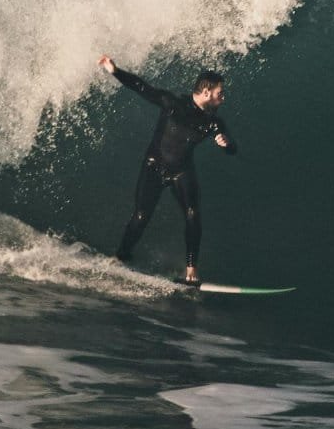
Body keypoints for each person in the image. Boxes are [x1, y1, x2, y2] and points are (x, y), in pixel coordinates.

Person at [98, 54, 236, 284]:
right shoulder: (173, 104)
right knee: (141, 217)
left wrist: (227, 143)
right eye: (220, 93)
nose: (223, 98)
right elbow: (142, 87)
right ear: (205, 93)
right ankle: (121, 257)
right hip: (154, 166)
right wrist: (115, 71)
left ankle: (191, 270)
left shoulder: (214, 122)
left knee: (193, 214)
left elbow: (232, 148)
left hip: (182, 170)